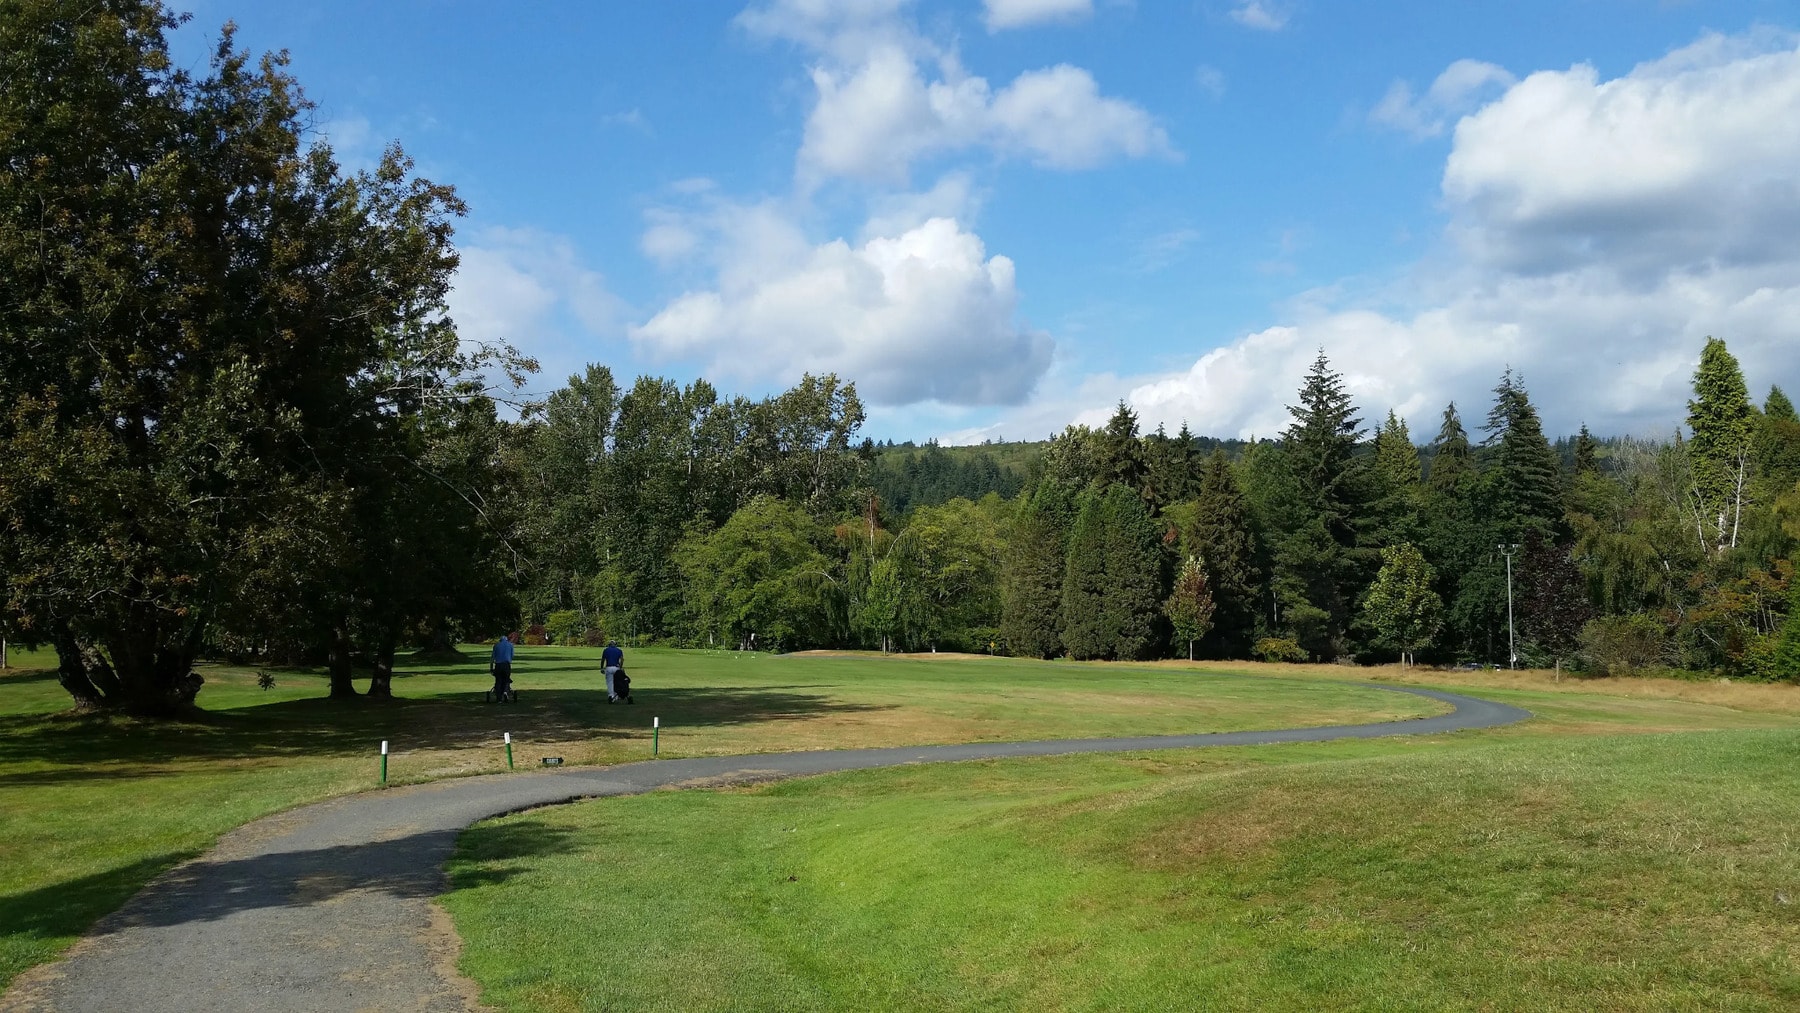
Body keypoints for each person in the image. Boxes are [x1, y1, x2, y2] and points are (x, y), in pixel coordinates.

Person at [491, 632, 516, 699]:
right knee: (506, 679)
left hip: (498, 665)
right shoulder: (510, 645)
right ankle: (505, 691)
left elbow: (492, 658)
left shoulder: (496, 645)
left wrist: (491, 668)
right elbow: (512, 656)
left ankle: (499, 698)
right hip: (506, 665)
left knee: (498, 680)